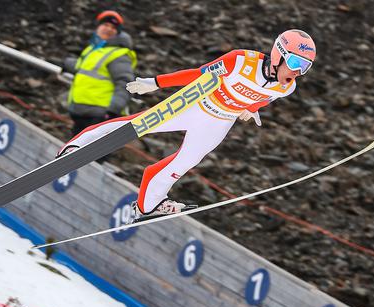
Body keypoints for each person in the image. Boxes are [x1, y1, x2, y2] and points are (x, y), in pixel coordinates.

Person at [57, 29, 316, 223]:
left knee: (184, 163)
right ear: (278, 55)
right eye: (295, 63)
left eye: (305, 67)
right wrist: (156, 82)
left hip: (219, 122)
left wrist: (251, 110)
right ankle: (76, 146)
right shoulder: (240, 61)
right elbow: (198, 73)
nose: (298, 72)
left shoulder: (287, 87)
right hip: (195, 105)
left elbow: (266, 97)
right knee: (136, 125)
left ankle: (148, 205)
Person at [64, 10, 137, 139]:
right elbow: (84, 68)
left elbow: (125, 82)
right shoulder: (94, 49)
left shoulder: (118, 54)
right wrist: (65, 63)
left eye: (113, 27)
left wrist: (113, 110)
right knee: (74, 156)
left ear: (117, 33)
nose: (108, 29)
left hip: (100, 117)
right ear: (98, 27)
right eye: (105, 25)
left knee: (90, 157)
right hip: (81, 113)